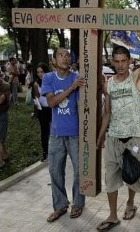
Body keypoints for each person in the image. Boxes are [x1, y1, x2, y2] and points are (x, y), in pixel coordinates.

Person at [96, 32, 140, 231]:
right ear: (113, 62)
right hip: (114, 138)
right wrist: (100, 138)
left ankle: (131, 203)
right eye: (117, 61)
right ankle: (113, 215)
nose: (120, 65)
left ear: (129, 61)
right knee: (111, 179)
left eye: (124, 61)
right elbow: (107, 113)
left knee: (133, 174)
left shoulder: (136, 77)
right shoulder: (109, 84)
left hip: (133, 138)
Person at [41, 47, 86, 222]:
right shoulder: (48, 77)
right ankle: (60, 206)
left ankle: (78, 204)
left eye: (68, 55)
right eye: (61, 55)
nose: (65, 58)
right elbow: (51, 102)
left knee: (79, 172)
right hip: (56, 134)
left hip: (75, 134)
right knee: (55, 171)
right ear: (53, 61)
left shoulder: (77, 78)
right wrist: (71, 88)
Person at [33, 62, 52, 162]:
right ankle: (45, 152)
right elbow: (37, 97)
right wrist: (37, 105)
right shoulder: (36, 84)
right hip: (42, 110)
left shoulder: (51, 81)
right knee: (44, 132)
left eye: (42, 72)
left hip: (52, 109)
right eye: (38, 72)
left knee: (54, 131)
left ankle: (55, 151)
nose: (40, 74)